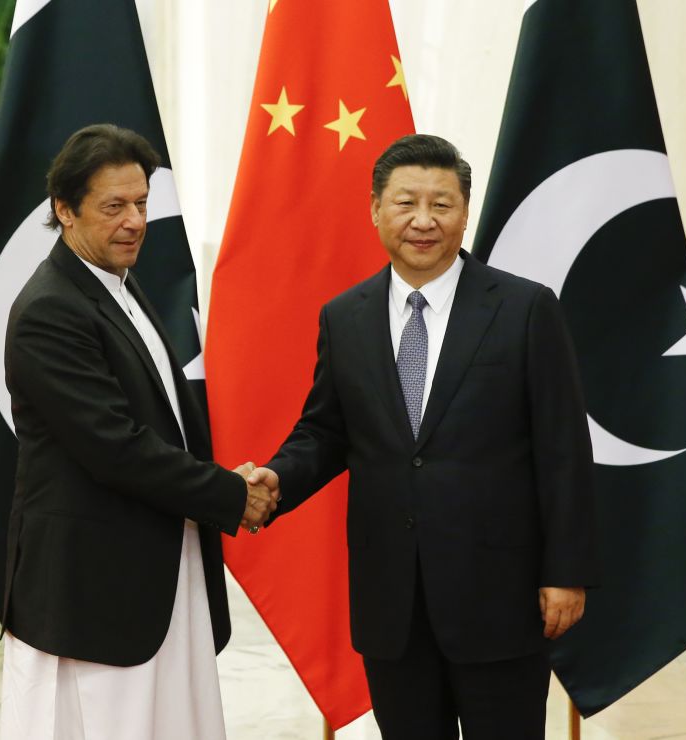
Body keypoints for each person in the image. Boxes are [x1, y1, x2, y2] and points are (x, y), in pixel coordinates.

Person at [248, 134, 598, 739]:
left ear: (465, 212)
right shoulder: (345, 316)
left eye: (442, 204)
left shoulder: (524, 309)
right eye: (407, 202)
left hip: (500, 597)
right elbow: (326, 430)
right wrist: (275, 480)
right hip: (393, 604)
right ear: (376, 210)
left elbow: (564, 450)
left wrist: (566, 570)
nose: (423, 220)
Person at [0, 124, 275, 739]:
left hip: (157, 570)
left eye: (143, 204)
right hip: (95, 593)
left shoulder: (118, 284)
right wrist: (232, 495)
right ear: (65, 211)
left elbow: (163, 425)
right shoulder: (51, 309)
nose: (135, 222)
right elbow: (115, 449)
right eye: (114, 206)